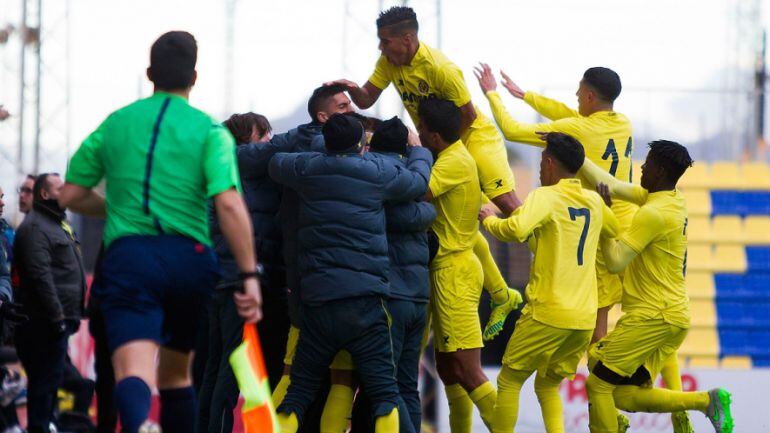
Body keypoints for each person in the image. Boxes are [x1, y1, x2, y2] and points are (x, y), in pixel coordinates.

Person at [59, 31, 262, 433]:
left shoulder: (117, 123)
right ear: (195, 76)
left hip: (129, 257)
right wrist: (250, 275)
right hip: (190, 259)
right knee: (176, 375)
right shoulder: (210, 131)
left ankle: (138, 426)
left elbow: (71, 193)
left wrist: (115, 205)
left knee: (132, 369)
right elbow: (228, 204)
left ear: (150, 73)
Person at [474, 64, 693, 432]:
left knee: (599, 332)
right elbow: (570, 116)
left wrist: (493, 92)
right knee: (652, 308)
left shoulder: (569, 143)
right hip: (628, 220)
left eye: (579, 92)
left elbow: (513, 129)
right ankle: (672, 405)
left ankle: (604, 416)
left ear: (590, 96)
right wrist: (527, 95)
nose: (575, 98)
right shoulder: (622, 122)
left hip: (604, 231)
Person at [326, 6, 522, 340]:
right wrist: (351, 92)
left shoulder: (441, 68)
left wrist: (442, 153)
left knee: (508, 204)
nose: (381, 48)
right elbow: (368, 96)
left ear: (407, 38)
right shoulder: (389, 62)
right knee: (459, 223)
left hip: (470, 138)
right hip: (440, 143)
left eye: (385, 41)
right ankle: (503, 295)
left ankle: (546, 258)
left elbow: (469, 116)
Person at [269, 113, 432, 433]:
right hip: (366, 304)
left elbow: (276, 162)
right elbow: (417, 181)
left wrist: (320, 150)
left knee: (298, 393)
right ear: (361, 145)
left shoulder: (307, 169)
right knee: (386, 396)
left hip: (318, 303)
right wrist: (419, 150)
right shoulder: (377, 172)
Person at [576, 140, 733, 433]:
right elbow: (609, 183)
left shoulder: (652, 213)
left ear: (660, 171)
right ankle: (705, 402)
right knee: (623, 394)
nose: (642, 167)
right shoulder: (672, 199)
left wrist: (602, 217)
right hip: (674, 317)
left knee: (596, 383)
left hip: (651, 318)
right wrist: (578, 156)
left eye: (647, 164)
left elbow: (615, 263)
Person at [479, 133, 618, 433]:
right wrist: (606, 205)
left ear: (551, 163)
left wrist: (490, 219)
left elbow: (516, 229)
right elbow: (615, 228)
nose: (541, 169)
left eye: (542, 162)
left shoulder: (545, 196)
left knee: (510, 380)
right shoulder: (594, 201)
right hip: (583, 320)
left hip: (547, 313)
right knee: (547, 384)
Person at [197, 112, 290, 433]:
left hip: (224, 278)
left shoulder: (227, 171)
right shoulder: (238, 163)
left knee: (220, 366)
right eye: (262, 133)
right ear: (243, 140)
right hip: (239, 279)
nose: (268, 139)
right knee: (233, 365)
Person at [416, 98, 495, 433]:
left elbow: (416, 195)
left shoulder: (452, 162)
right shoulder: (451, 155)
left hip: (454, 274)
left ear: (433, 137)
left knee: (468, 370)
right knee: (449, 370)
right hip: (447, 270)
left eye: (420, 128)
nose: (417, 133)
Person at [352, 117, 435, 433]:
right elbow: (421, 212)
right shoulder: (414, 177)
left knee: (384, 387)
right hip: (418, 296)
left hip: (390, 297)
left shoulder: (372, 176)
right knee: (405, 384)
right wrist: (428, 212)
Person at [14, 173, 86, 433]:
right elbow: (40, 277)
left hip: (59, 320)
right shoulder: (35, 228)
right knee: (43, 389)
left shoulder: (55, 223)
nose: (66, 190)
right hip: (44, 323)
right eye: (60, 188)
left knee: (50, 387)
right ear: (45, 194)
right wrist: (57, 317)